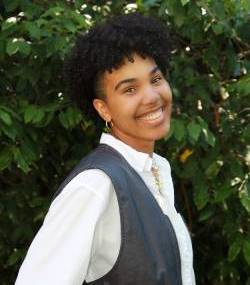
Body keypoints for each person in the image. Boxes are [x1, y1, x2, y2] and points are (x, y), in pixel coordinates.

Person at [15, 13, 195, 285]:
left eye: (155, 79)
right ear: (103, 108)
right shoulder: (95, 185)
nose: (152, 97)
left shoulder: (156, 169)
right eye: (130, 90)